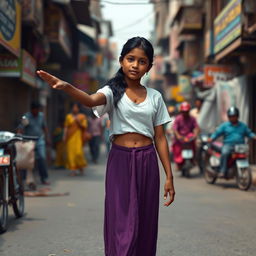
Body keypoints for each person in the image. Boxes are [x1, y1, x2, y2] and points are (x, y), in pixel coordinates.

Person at [37, 36, 175, 256]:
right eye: (131, 59)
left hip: (147, 160)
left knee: (146, 218)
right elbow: (91, 100)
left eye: (142, 61)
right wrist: (66, 87)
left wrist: (169, 175)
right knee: (122, 220)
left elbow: (160, 138)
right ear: (121, 61)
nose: (135, 65)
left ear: (149, 66)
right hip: (120, 160)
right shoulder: (113, 91)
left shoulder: (156, 97)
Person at [208, 107, 256, 178]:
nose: (233, 118)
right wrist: (211, 138)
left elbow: (249, 133)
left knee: (245, 155)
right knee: (225, 153)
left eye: (234, 116)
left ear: (237, 116)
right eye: (231, 116)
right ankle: (222, 171)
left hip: (240, 146)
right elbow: (217, 133)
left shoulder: (243, 126)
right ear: (228, 117)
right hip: (228, 145)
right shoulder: (225, 126)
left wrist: (254, 136)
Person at [18, 101, 50, 185]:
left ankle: (44, 178)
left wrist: (47, 138)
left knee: (41, 158)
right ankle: (23, 180)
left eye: (37, 110)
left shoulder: (41, 116)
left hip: (39, 140)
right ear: (31, 110)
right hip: (28, 141)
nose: (36, 111)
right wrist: (19, 137)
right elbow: (21, 128)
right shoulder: (26, 117)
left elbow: (44, 127)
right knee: (25, 160)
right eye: (35, 110)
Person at [172, 101, 199, 171]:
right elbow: (175, 128)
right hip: (180, 138)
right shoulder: (178, 118)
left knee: (196, 146)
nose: (185, 113)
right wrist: (178, 135)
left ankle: (193, 160)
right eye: (183, 111)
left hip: (189, 138)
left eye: (186, 111)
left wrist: (195, 134)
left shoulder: (192, 118)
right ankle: (178, 164)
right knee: (176, 148)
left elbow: (196, 127)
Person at [63, 103, 88, 176]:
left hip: (78, 138)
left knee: (78, 153)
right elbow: (66, 127)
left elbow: (84, 126)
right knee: (71, 154)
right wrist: (64, 136)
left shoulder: (82, 117)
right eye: (73, 107)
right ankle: (73, 171)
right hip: (70, 138)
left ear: (78, 109)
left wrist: (78, 122)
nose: (75, 109)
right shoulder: (68, 116)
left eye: (76, 107)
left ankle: (81, 167)